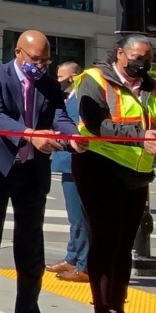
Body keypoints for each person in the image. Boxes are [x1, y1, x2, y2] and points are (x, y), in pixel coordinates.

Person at [0, 31, 80, 313]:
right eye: (35, 59)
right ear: (19, 53)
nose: (41, 66)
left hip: (32, 172)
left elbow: (60, 115)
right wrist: (31, 134)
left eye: (46, 60)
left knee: (30, 247)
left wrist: (73, 137)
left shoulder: (49, 82)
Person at [71, 33, 156, 313]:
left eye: (147, 57)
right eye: (137, 57)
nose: (142, 63)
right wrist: (141, 135)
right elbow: (96, 124)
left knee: (124, 245)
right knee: (105, 240)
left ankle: (118, 309)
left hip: (138, 171)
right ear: (119, 54)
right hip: (100, 165)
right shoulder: (94, 79)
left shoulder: (153, 83)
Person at [48, 60, 90, 283]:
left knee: (79, 217)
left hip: (77, 161)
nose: (58, 81)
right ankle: (72, 257)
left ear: (73, 77)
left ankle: (83, 264)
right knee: (74, 216)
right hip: (68, 163)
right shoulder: (71, 97)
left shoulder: (81, 96)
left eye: (61, 77)